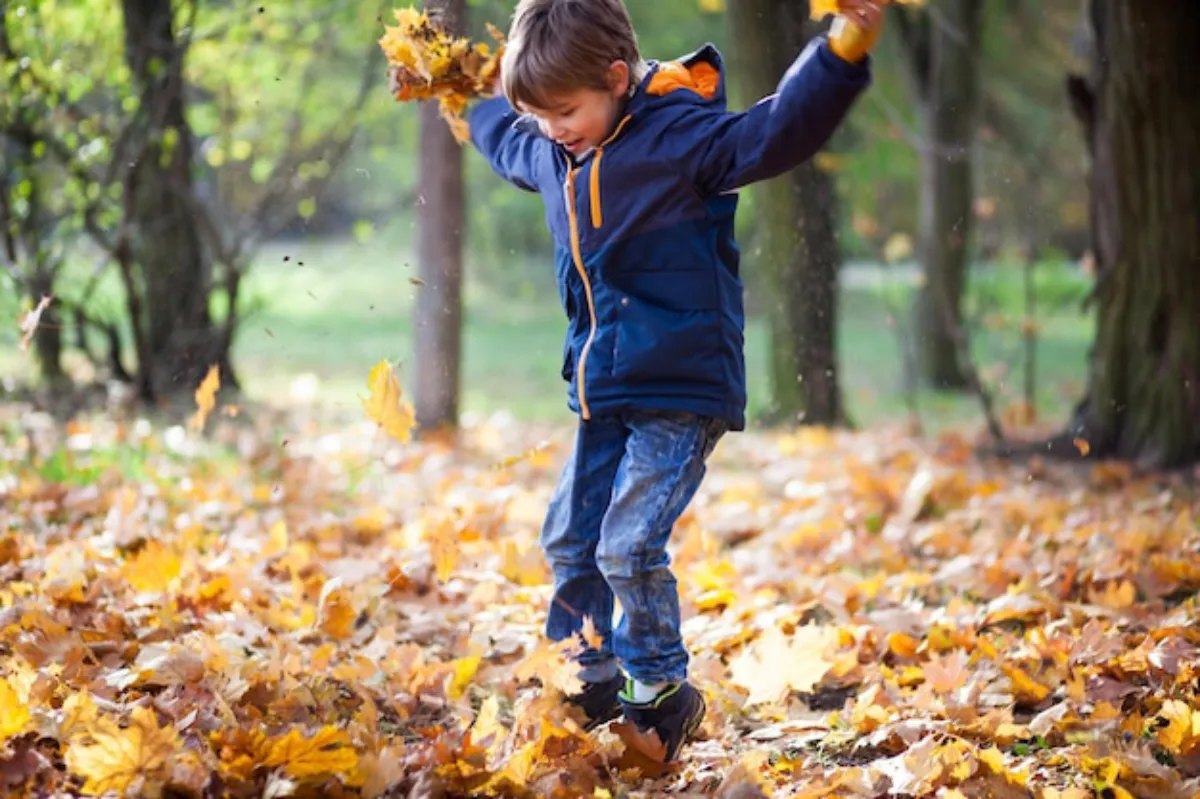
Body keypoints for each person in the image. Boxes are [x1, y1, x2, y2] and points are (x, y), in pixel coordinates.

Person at [465, 0, 883, 761]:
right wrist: (466, 93)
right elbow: (502, 138)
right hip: (604, 391)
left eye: (566, 110)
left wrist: (842, 48)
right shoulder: (552, 150)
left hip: (681, 390)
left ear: (617, 78)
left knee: (626, 546)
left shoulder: (682, 139)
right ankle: (586, 672)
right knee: (570, 537)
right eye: (541, 113)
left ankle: (662, 689)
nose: (554, 127)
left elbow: (776, 129)